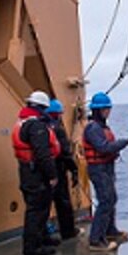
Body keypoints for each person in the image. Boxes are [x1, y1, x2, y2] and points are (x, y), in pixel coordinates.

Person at [82, 92, 128, 252]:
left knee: (111, 198)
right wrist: (125, 142)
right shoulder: (93, 128)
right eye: (105, 109)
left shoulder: (102, 127)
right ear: (98, 110)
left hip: (106, 167)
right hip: (98, 168)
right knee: (105, 201)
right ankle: (96, 240)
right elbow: (103, 147)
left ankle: (110, 230)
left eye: (108, 108)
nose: (108, 111)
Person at [13, 90, 61, 255]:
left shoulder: (22, 122)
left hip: (27, 170)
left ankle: (42, 238)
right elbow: (42, 153)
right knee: (37, 210)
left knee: (40, 208)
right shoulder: (36, 126)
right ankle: (33, 247)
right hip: (36, 174)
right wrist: (52, 175)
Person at [45, 99, 80, 241]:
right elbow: (65, 152)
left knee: (44, 204)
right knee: (63, 202)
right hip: (58, 168)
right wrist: (74, 169)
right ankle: (68, 231)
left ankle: (44, 233)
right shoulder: (58, 129)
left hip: (43, 171)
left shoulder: (40, 127)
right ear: (58, 114)